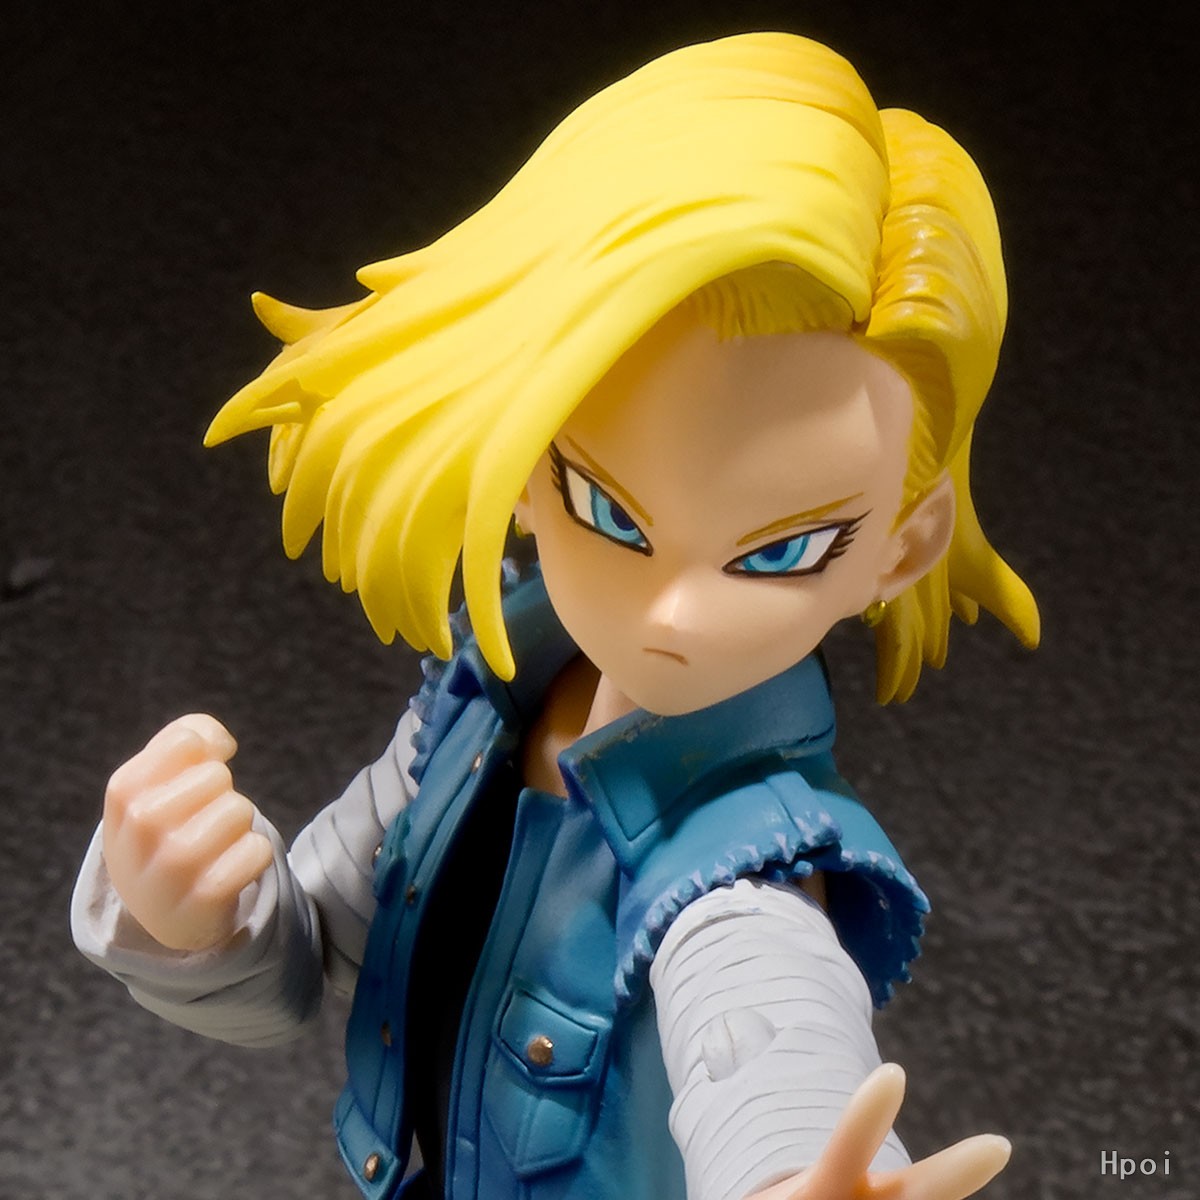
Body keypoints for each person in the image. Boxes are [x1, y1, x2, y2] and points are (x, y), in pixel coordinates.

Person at [72, 31, 1039, 1200]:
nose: (673, 609)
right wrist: (192, 912)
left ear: (902, 548)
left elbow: (768, 1036)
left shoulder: (740, 872)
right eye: (609, 510)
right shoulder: (474, 714)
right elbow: (309, 958)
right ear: (527, 462)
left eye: (780, 551)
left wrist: (798, 1173)